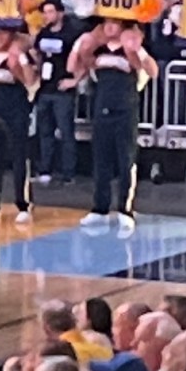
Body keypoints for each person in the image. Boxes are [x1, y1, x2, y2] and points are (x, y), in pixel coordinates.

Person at [71, 22, 154, 228]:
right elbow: (74, 67)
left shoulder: (131, 48)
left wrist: (137, 50)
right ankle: (100, 207)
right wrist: (80, 46)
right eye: (106, 22)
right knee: (101, 160)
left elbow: (153, 71)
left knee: (126, 160)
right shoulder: (97, 49)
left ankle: (125, 208)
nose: (109, 27)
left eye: (114, 23)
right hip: (102, 107)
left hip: (126, 109)